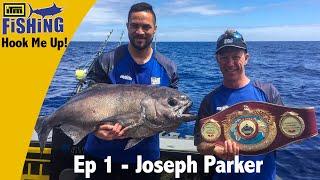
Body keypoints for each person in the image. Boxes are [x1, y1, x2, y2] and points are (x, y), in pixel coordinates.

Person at [82, 2, 178, 179]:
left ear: (154, 29)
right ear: (127, 26)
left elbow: (172, 113)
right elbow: (86, 102)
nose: (140, 31)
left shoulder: (168, 68)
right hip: (99, 158)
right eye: (134, 25)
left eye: (146, 26)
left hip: (146, 162)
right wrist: (95, 129)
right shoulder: (106, 61)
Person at [194, 29, 283, 180]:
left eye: (236, 57)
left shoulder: (268, 93)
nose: (230, 63)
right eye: (224, 57)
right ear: (217, 59)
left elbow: (283, 136)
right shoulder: (209, 100)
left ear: (246, 58)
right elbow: (200, 144)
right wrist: (215, 149)